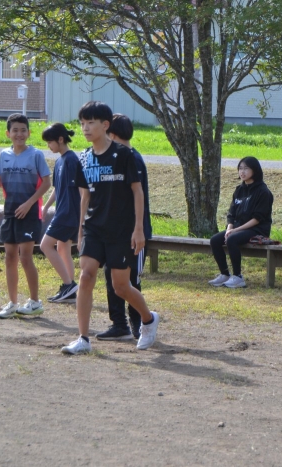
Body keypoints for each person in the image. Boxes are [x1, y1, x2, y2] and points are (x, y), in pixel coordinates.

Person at [61, 101, 159, 355]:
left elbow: (137, 192)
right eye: (82, 123)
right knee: (86, 276)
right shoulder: (83, 158)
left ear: (105, 125)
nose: (85, 128)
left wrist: (138, 229)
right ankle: (83, 338)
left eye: (90, 123)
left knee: (120, 287)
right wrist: (80, 230)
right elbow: (85, 196)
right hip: (94, 228)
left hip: (121, 231)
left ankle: (148, 319)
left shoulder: (124, 155)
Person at [0, 113, 51, 319]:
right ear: (8, 133)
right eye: (15, 130)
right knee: (9, 257)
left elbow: (46, 183)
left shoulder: (36, 155)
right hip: (10, 212)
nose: (19, 134)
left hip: (30, 213)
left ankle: (34, 302)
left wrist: (29, 204)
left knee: (25, 257)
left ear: (29, 133)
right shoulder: (4, 155)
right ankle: (12, 303)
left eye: (23, 130)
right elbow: (0, 180)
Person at [96, 114, 152, 341]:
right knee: (112, 276)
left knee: (131, 280)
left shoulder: (132, 158)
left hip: (134, 232)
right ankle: (119, 324)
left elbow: (136, 197)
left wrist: (138, 230)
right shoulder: (117, 157)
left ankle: (139, 322)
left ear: (112, 134)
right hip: (114, 232)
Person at [208, 156, 274, 289]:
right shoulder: (239, 190)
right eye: (240, 168)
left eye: (246, 168)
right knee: (215, 240)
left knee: (232, 239)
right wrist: (229, 228)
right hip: (237, 228)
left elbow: (257, 218)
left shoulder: (263, 192)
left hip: (257, 229)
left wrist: (235, 231)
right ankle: (224, 274)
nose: (242, 172)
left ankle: (238, 277)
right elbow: (231, 214)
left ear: (255, 170)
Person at [40, 123, 81, 303]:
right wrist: (46, 206)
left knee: (45, 245)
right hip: (62, 212)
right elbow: (57, 189)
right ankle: (70, 292)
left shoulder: (72, 160)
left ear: (61, 139)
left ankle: (68, 284)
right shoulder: (59, 161)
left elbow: (81, 190)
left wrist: (83, 216)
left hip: (68, 214)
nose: (48, 146)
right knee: (62, 248)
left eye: (50, 142)